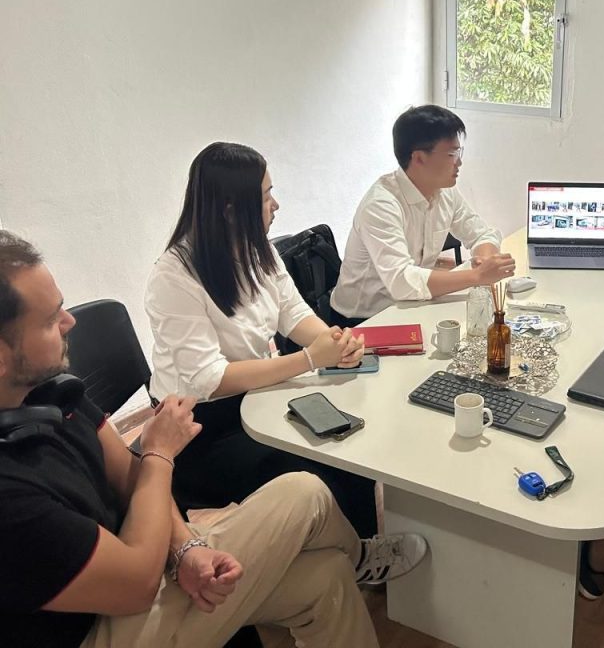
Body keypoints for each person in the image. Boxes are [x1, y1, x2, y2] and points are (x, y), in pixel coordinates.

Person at [0, 231, 427, 648]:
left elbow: (131, 479)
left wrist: (186, 548)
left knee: (326, 575)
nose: (69, 321)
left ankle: (354, 560)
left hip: (139, 562)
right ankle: (361, 557)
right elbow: (136, 583)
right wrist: (160, 453)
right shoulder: (10, 495)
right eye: (50, 320)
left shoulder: (53, 393)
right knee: (307, 496)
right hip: (101, 622)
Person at [145, 143, 378, 536]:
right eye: (267, 195)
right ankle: (353, 553)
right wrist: (310, 359)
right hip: (199, 427)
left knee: (350, 443)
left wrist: (334, 341)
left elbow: (294, 313)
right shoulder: (174, 277)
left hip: (256, 396)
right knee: (318, 472)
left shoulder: (258, 251)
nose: (276, 205)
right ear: (230, 210)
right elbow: (209, 379)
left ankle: (360, 550)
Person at [330, 104, 515, 325]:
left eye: (459, 152)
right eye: (451, 154)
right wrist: (477, 276)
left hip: (411, 305)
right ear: (419, 158)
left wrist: (485, 260)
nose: (459, 162)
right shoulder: (381, 205)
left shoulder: (444, 191)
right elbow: (402, 281)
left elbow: (481, 233)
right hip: (363, 320)